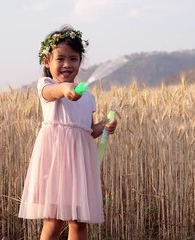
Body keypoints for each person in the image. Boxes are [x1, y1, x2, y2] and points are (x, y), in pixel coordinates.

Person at [18, 25, 117, 240]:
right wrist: (64, 89)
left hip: (79, 165)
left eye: (73, 59)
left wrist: (105, 125)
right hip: (55, 163)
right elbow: (53, 92)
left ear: (80, 61)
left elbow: (88, 131)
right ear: (47, 61)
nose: (67, 64)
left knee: (79, 222)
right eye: (60, 59)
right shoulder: (46, 85)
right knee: (53, 220)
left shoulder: (88, 97)